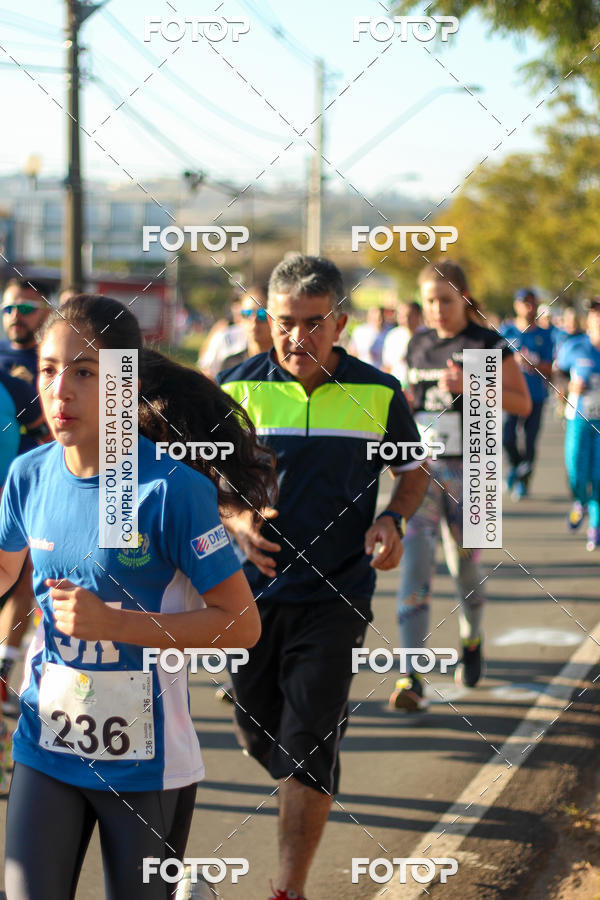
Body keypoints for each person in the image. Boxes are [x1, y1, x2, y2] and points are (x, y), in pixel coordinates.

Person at [0, 294, 274, 899]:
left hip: (149, 763)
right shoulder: (29, 475)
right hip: (49, 741)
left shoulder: (169, 490)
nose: (60, 391)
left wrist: (116, 625)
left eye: (85, 372)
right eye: (49, 370)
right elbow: (6, 577)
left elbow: (241, 625)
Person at [217, 255, 428, 900]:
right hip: (251, 597)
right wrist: (238, 521)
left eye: (313, 323)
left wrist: (390, 519)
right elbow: (206, 481)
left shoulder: (379, 391)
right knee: (259, 729)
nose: (297, 338)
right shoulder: (234, 387)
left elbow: (413, 471)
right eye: (285, 322)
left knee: (305, 744)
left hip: (337, 594)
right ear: (267, 320)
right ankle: (311, 757)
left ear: (338, 322)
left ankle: (288, 889)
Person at [390, 261, 531, 712]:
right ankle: (410, 675)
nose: (436, 310)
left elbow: (522, 404)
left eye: (446, 301)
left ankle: (471, 637)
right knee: (415, 565)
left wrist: (474, 385)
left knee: (464, 569)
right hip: (423, 471)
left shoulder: (487, 343)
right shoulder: (418, 343)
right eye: (429, 301)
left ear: (465, 299)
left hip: (477, 470)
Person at [0, 280, 52, 717]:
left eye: (26, 306)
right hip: (9, 488)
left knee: (27, 578)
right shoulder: (2, 366)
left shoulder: (53, 361)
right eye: (9, 307)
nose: (17, 314)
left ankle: (11, 664)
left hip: (44, 490)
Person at [555, 297, 600, 550]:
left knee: (599, 475)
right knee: (576, 474)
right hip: (579, 420)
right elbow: (558, 375)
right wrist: (567, 387)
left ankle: (595, 526)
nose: (598, 318)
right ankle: (580, 502)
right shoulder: (574, 346)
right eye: (595, 313)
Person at [500, 288, 554, 499]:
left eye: (532, 303)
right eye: (524, 303)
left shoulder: (544, 334)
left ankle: (523, 480)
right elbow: (492, 361)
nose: (528, 307)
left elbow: (551, 366)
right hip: (510, 394)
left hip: (536, 396)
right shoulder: (506, 332)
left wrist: (536, 364)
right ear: (517, 305)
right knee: (508, 438)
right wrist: (512, 363)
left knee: (530, 441)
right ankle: (515, 467)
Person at [219, 286, 273, 371]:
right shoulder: (231, 366)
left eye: (262, 314)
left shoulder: (288, 365)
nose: (254, 320)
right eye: (247, 314)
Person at [381, 300, 424, 386]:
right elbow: (387, 365)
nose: (406, 319)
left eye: (409, 315)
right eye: (402, 316)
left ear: (418, 315)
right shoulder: (393, 336)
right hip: (399, 386)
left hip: (420, 386)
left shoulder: (428, 336)